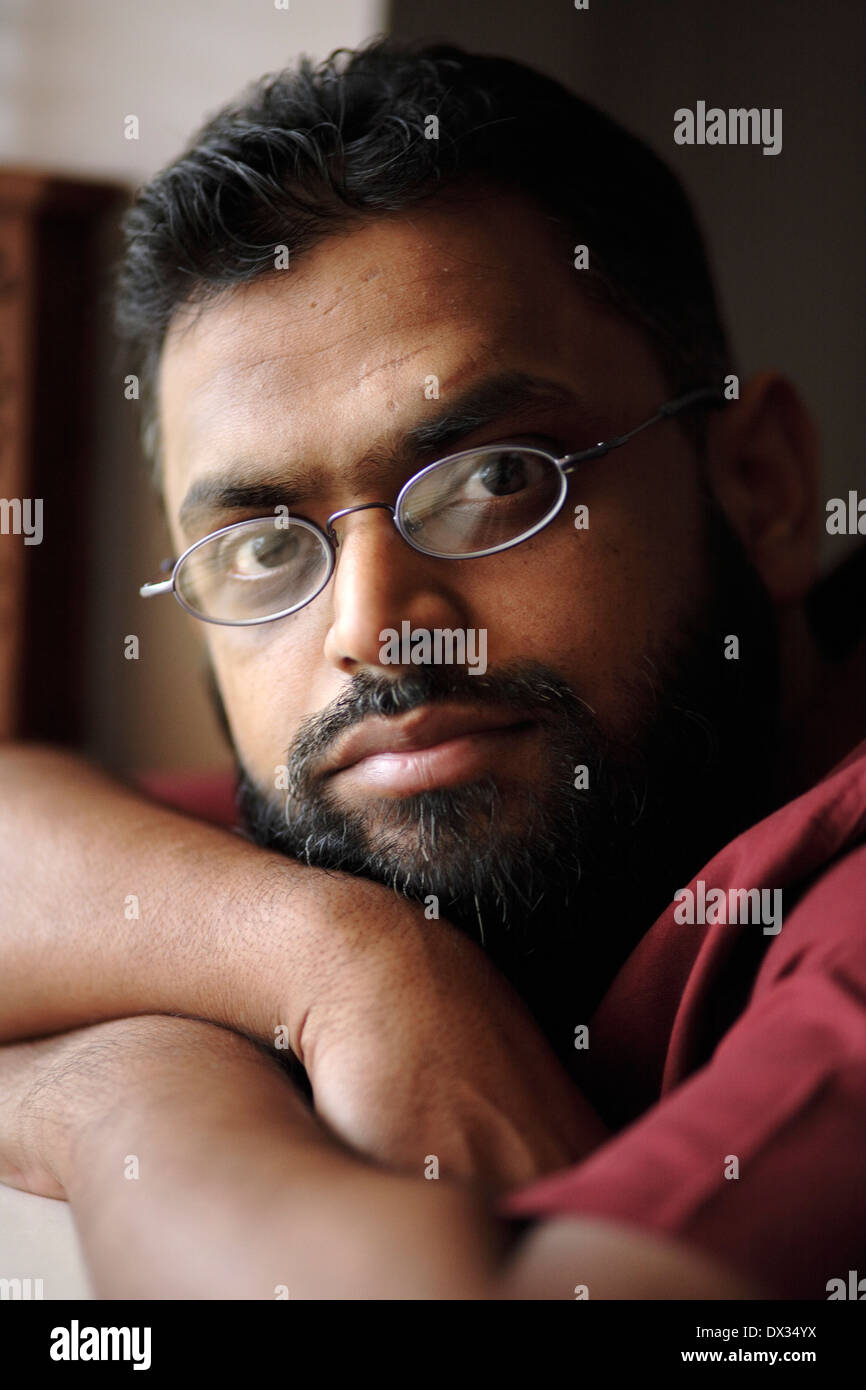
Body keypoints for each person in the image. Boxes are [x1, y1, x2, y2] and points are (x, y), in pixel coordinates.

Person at [1, 38, 863, 1300]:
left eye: (494, 478)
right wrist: (340, 964)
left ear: (762, 488)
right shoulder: (370, 824)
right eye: (256, 547)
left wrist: (114, 1105)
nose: (370, 627)